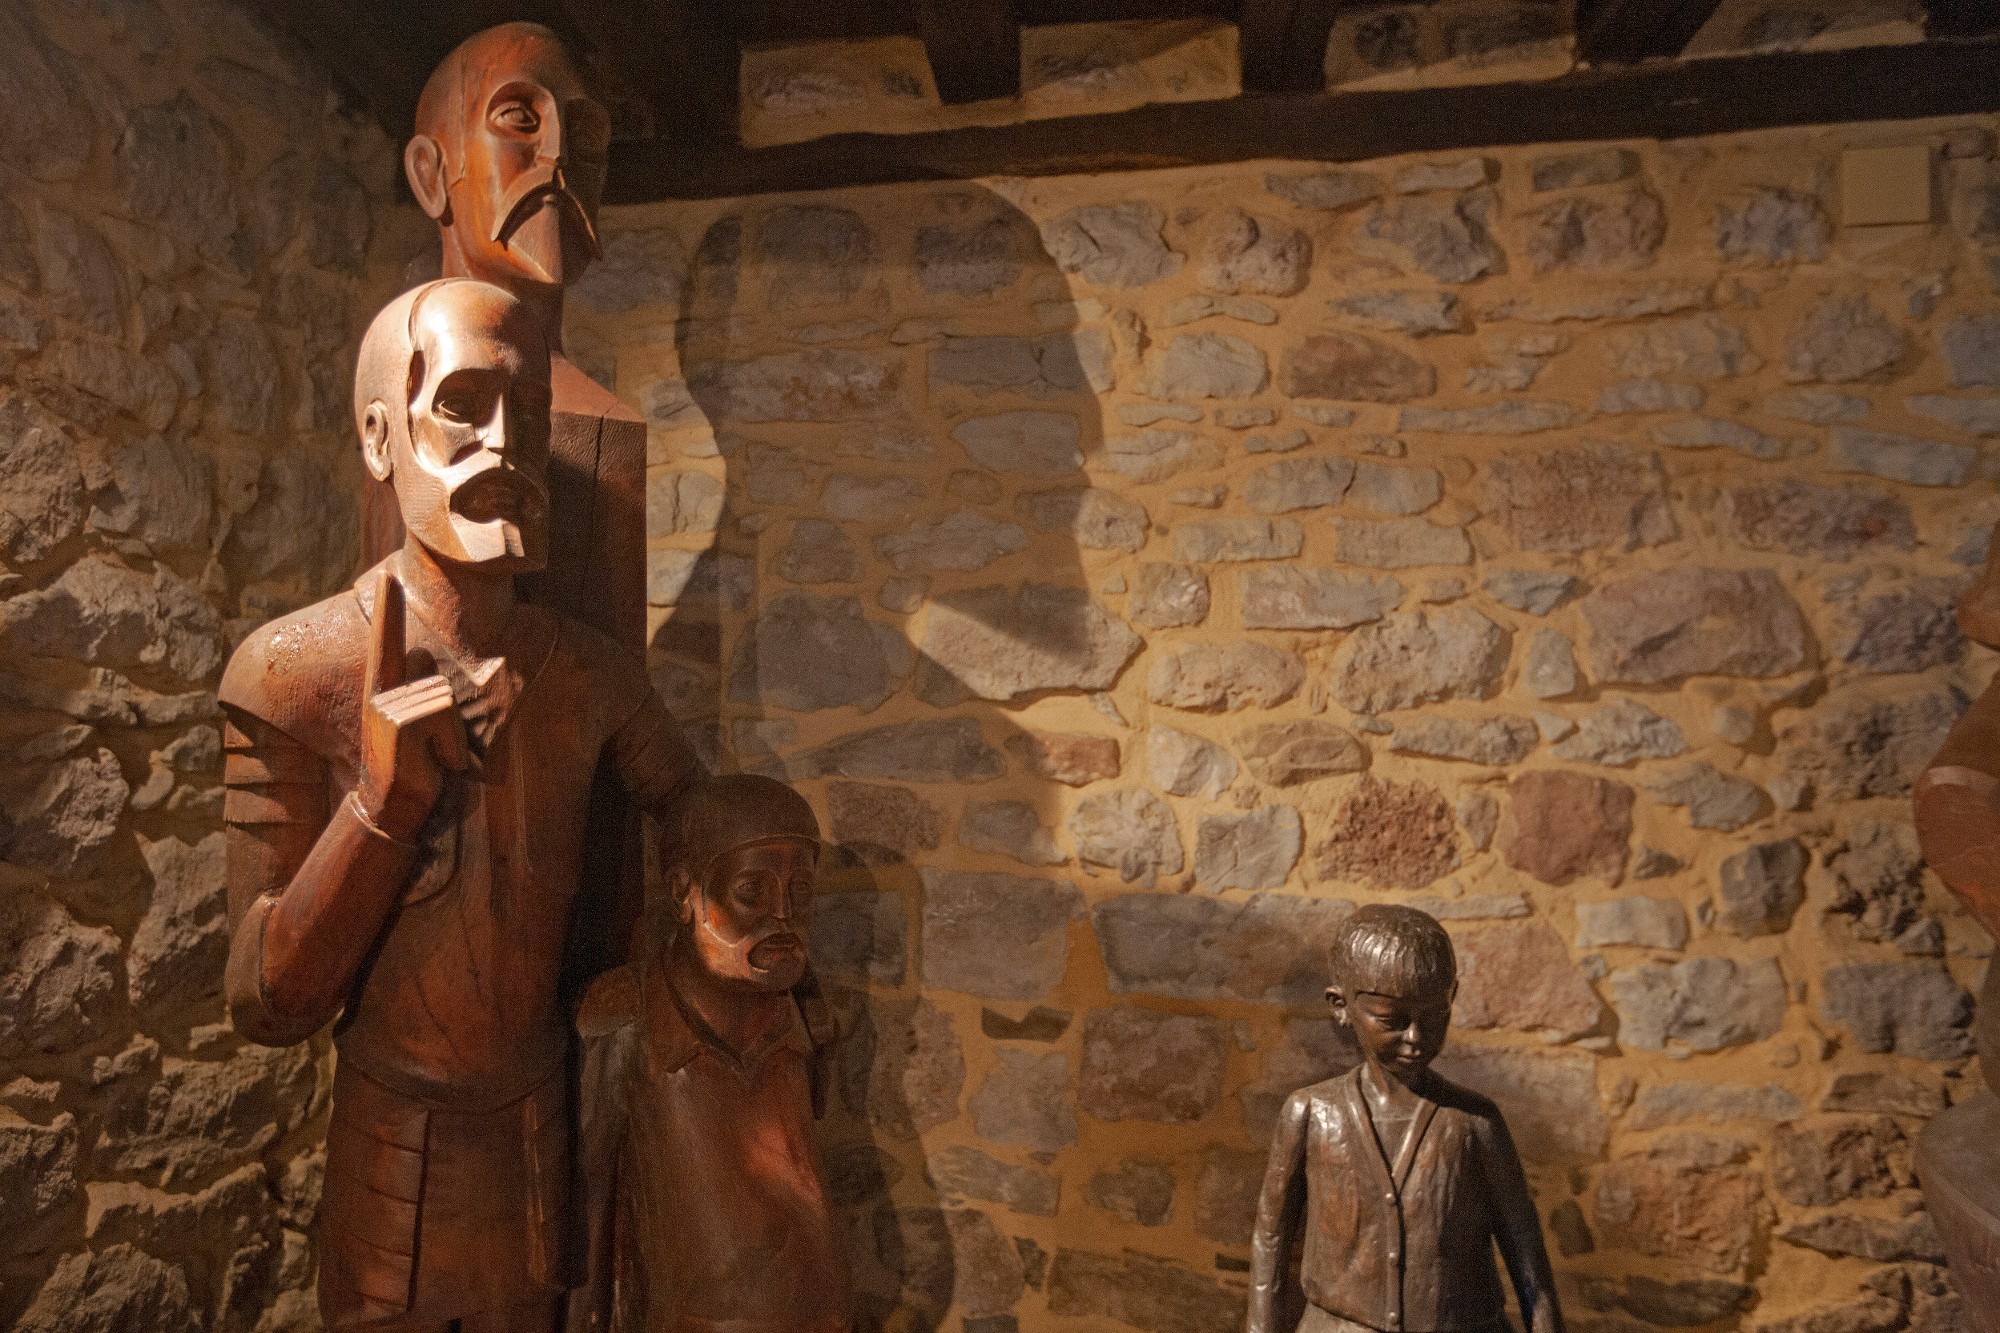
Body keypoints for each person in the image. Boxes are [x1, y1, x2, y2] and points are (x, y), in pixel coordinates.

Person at [218, 277, 702, 1332]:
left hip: (535, 1142)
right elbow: (266, 1001)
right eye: (463, 404)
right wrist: (381, 810)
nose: (505, 447)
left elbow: (701, 822)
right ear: (381, 436)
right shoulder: (293, 671)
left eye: (526, 413)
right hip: (393, 1153)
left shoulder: (590, 677)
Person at [567, 773, 850, 1333]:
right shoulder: (627, 1016)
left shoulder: (805, 1015)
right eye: (752, 892)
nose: (783, 916)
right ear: (684, 892)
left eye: (800, 892)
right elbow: (591, 1204)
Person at [1248, 905, 1564, 1333]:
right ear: (1341, 1006)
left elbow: (1525, 1250)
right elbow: (1271, 1238)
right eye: (1392, 1021)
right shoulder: (1311, 1113)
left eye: (1433, 1018)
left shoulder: (1475, 1123)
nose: (1415, 1038)